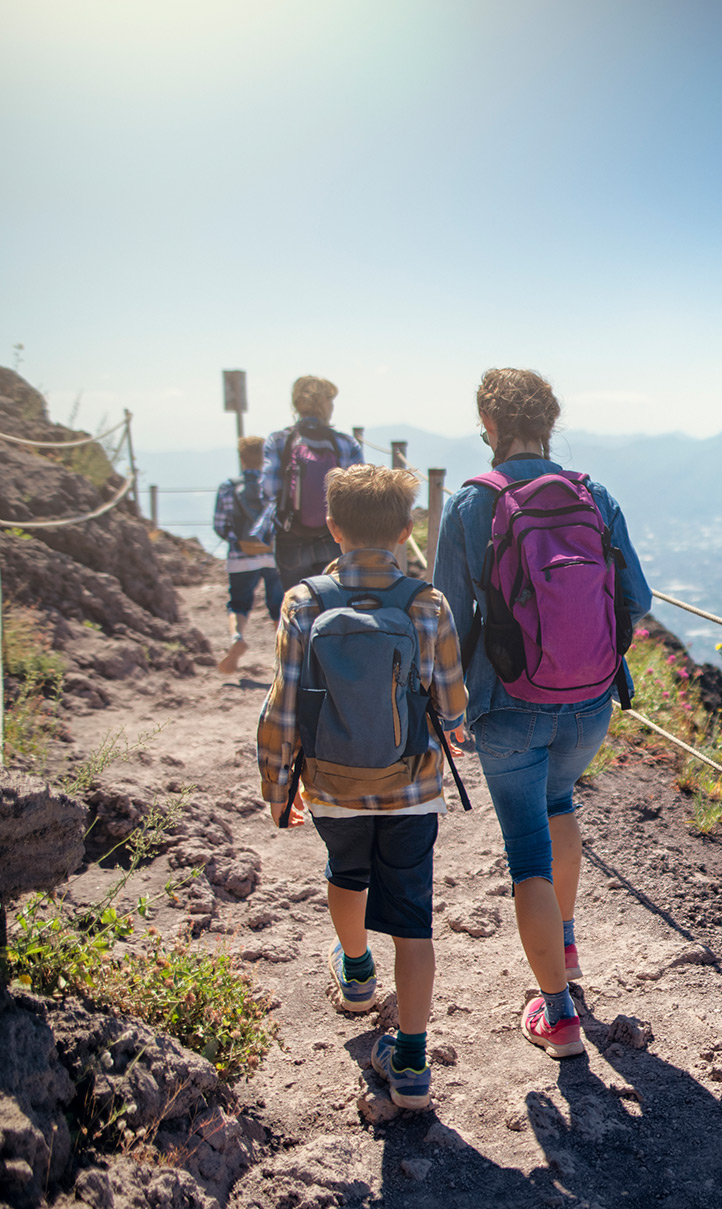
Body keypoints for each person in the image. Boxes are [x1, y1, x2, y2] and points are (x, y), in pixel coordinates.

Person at [433, 368, 651, 1060]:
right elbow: (637, 598)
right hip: (589, 705)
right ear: (549, 423)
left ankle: (557, 1016)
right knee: (561, 804)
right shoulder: (594, 493)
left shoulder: (471, 504)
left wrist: (450, 703)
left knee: (526, 849)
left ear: (488, 424)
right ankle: (566, 943)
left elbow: (443, 618)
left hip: (508, 705)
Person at [257, 463, 468, 1110]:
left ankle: (354, 974)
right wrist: (447, 731)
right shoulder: (428, 605)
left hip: (332, 781)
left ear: (332, 524)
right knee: (412, 917)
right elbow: (454, 708)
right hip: (411, 788)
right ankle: (410, 1062)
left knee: (345, 871)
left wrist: (278, 784)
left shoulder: (303, 601)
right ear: (408, 528)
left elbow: (283, 706)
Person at [262, 375, 366, 593]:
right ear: (325, 405)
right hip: (333, 536)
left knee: (295, 602)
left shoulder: (279, 441)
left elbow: (269, 489)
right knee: (334, 601)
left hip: (290, 535)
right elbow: (360, 492)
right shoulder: (345, 443)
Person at [212, 435, 282, 675]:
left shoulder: (228, 487)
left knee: (238, 603)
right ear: (265, 458)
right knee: (279, 606)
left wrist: (237, 541)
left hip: (240, 555)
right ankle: (283, 654)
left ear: (241, 458)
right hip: (273, 555)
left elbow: (220, 525)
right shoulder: (273, 485)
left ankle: (237, 637)